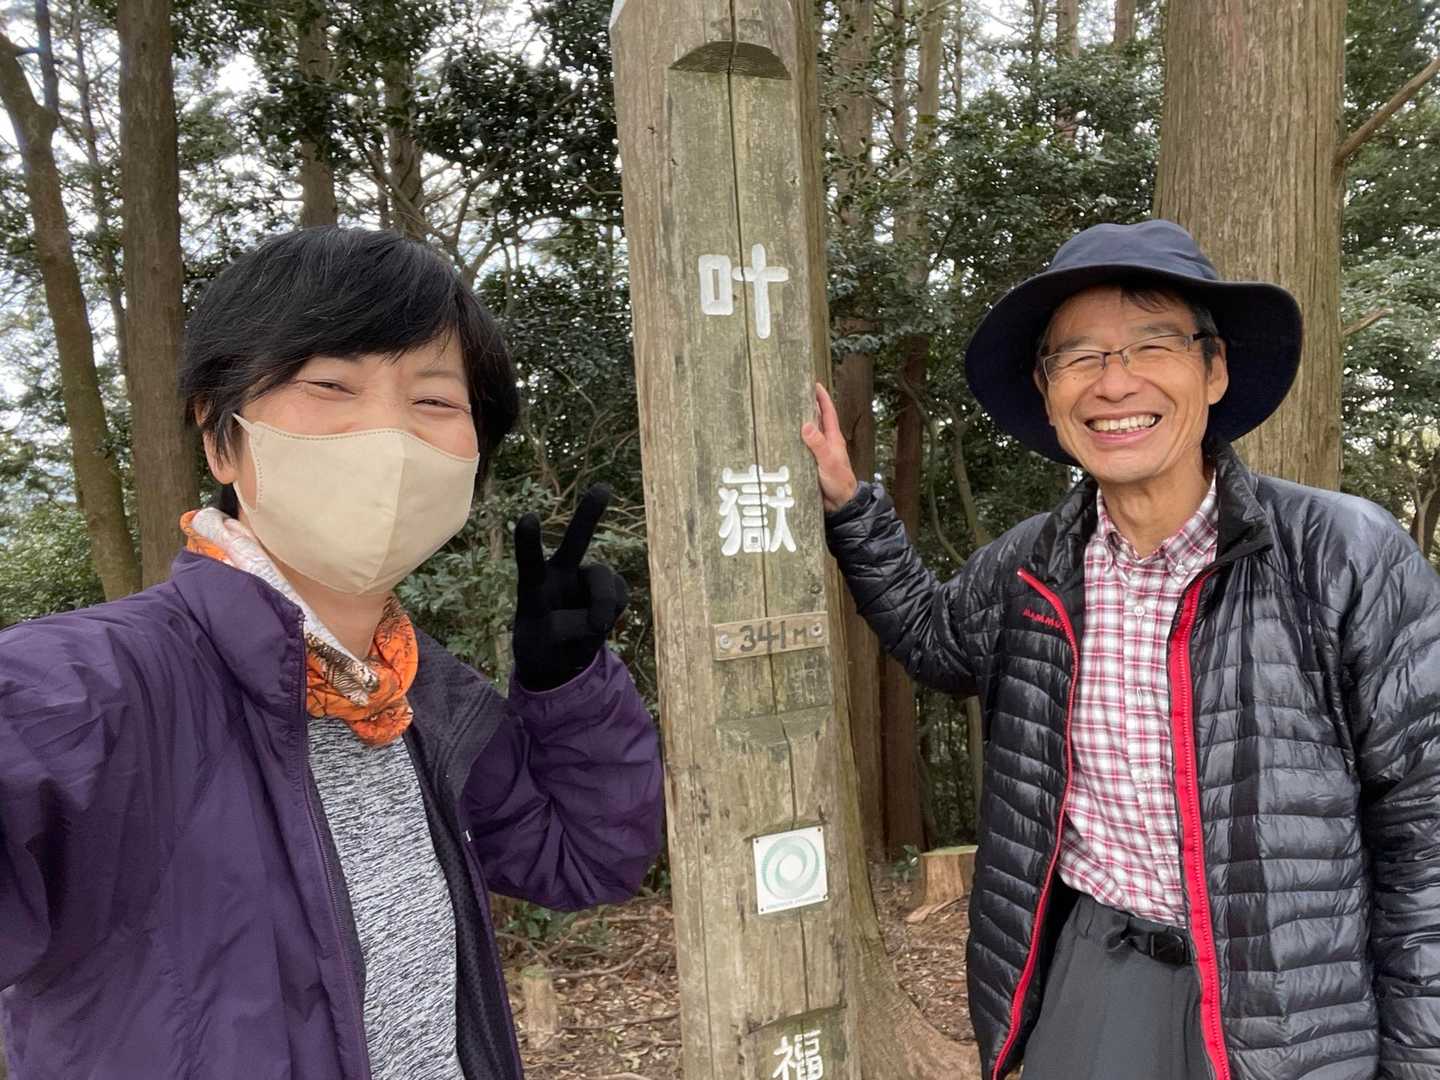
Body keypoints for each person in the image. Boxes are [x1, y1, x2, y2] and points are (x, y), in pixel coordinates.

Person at [0, 227, 664, 1080]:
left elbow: (586, 860)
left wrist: (566, 685)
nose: (387, 435)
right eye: (329, 385)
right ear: (221, 437)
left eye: (434, 401)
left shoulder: (426, 700)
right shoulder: (93, 689)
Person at [801, 219, 1440, 1080]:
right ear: (1047, 391)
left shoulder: (1342, 555)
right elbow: (932, 638)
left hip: (1295, 997)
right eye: (1080, 357)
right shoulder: (1032, 568)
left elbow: (1424, 832)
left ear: (1214, 370)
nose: (1115, 381)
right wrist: (850, 507)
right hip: (1098, 972)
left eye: (1152, 344)